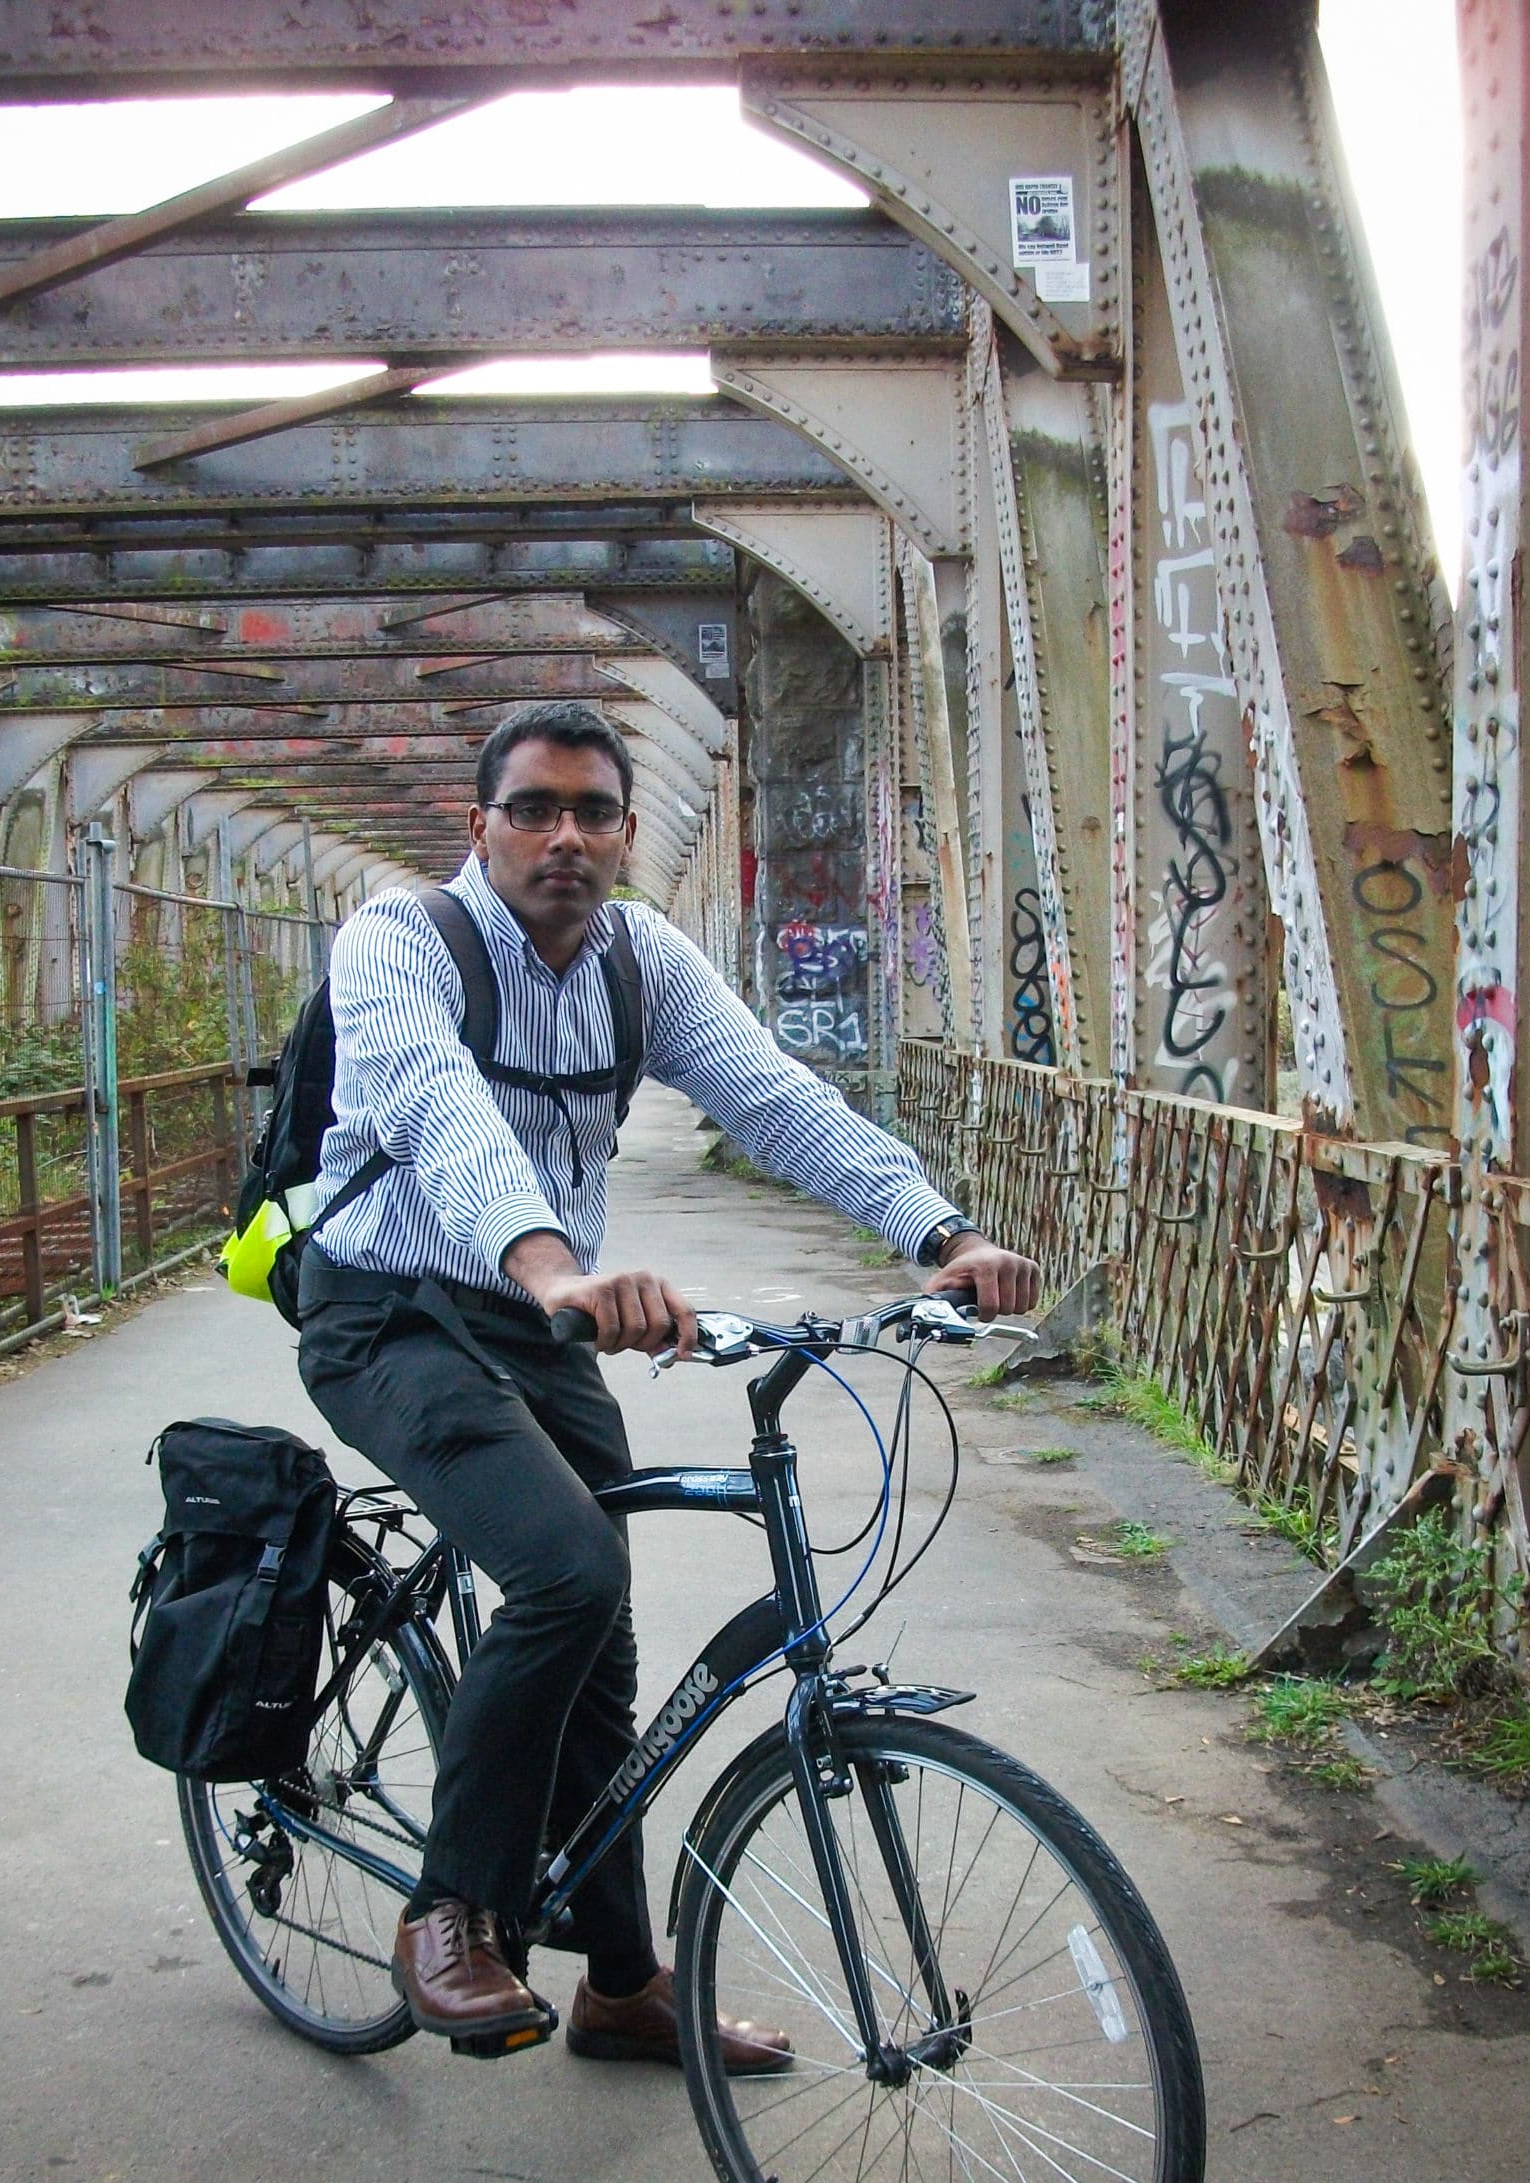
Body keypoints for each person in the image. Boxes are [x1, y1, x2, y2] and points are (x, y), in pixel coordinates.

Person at [296, 699, 1040, 2066]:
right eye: (534, 808)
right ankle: (449, 1913)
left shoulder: (643, 960)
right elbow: (433, 1111)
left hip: (538, 1322)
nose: (564, 836)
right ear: (481, 827)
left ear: (629, 833)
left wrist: (941, 1234)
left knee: (606, 1645)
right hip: (391, 1310)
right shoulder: (399, 942)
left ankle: (623, 1987)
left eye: (593, 811)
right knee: (568, 1573)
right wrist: (551, 1267)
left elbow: (772, 1096)